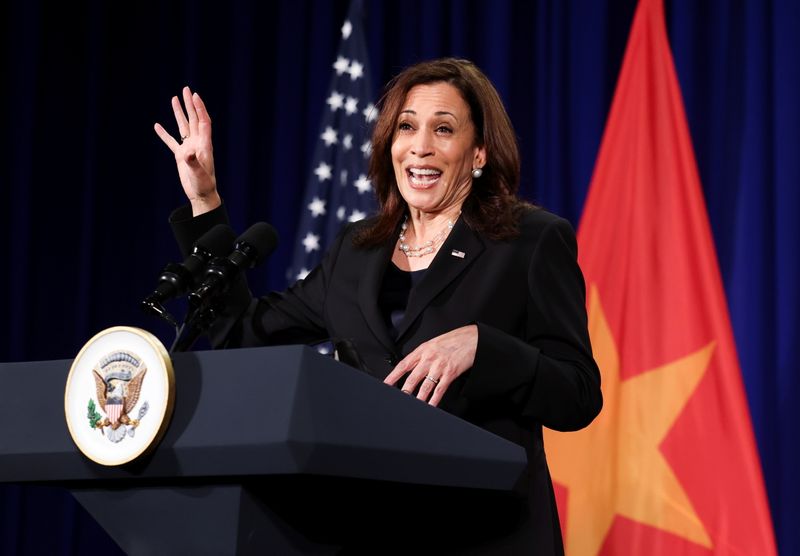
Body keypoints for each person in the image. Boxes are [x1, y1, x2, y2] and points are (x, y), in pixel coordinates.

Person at [155, 58, 602, 554]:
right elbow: (240, 333)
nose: (421, 146)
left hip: (486, 534)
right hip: (365, 531)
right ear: (389, 144)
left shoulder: (529, 241)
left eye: (444, 129)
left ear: (478, 153)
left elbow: (578, 395)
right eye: (406, 127)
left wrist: (482, 346)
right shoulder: (356, 250)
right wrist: (205, 200)